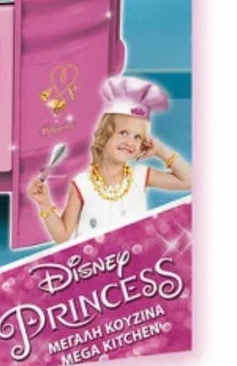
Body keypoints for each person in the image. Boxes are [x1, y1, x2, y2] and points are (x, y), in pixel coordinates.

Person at [28, 76, 192, 242]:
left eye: (137, 137)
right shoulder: (82, 184)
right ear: (104, 136)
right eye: (123, 133)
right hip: (98, 258)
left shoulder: (141, 176)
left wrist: (161, 151)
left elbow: (190, 182)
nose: (130, 142)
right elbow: (62, 237)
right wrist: (44, 203)